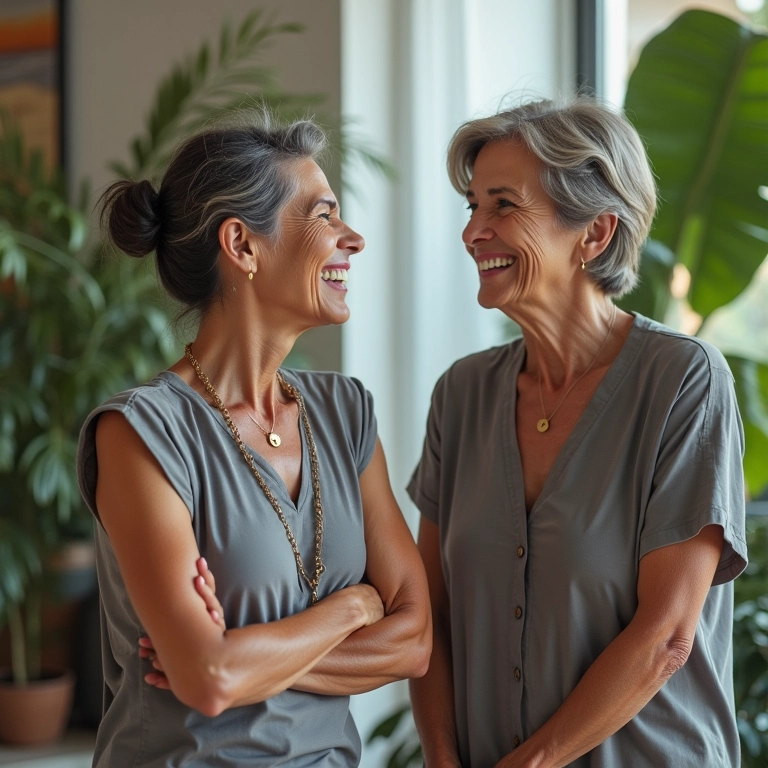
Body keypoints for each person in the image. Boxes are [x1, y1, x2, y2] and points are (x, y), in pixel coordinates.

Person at [76, 115, 431, 768]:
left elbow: (413, 643)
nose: (352, 237)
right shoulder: (140, 433)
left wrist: (245, 659)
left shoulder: (345, 414)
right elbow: (209, 680)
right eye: (324, 216)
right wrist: (355, 607)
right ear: (242, 245)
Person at [407, 98, 747, 768]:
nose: (473, 231)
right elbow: (431, 617)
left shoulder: (683, 379)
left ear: (594, 233)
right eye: (472, 207)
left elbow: (667, 637)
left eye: (503, 205)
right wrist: (443, 759)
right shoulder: (461, 395)